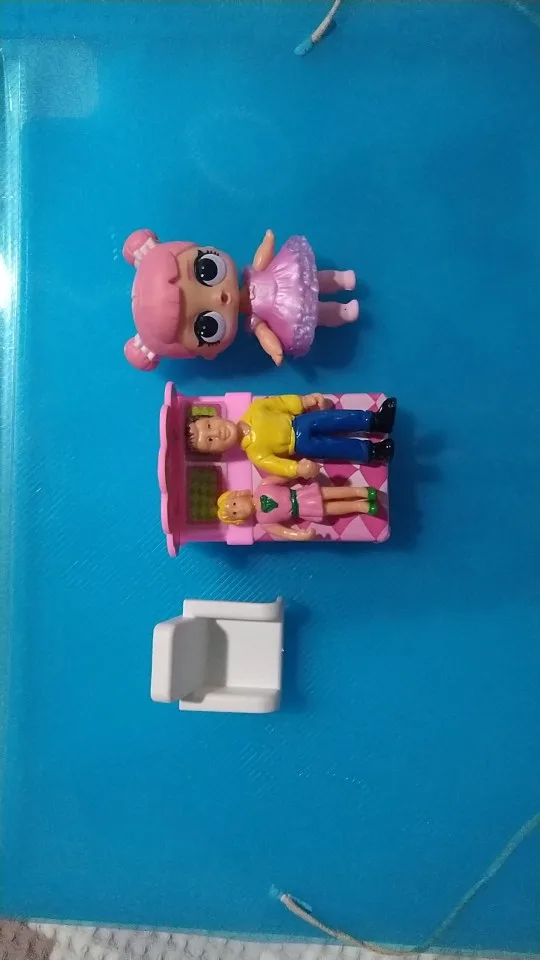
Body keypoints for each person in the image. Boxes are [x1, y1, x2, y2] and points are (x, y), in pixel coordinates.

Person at [122, 229, 359, 370]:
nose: (219, 296)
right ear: (209, 353)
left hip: (281, 274)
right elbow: (265, 335)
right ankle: (343, 312)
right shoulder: (255, 321)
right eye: (206, 326)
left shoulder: (254, 273)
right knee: (315, 315)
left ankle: (342, 280)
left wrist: (268, 242)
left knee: (312, 278)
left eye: (207, 269)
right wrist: (275, 350)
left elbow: (262, 260)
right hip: (283, 315)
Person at [186, 393, 396, 478]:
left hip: (300, 421)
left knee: (336, 418)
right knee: (336, 447)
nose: (216, 433)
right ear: (218, 451)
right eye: (210, 441)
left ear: (215, 416)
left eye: (209, 425)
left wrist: (303, 401)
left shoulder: (256, 408)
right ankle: (374, 452)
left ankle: (376, 421)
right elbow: (278, 465)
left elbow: (280, 403)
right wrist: (297, 469)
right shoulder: (255, 454)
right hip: (302, 445)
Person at [217, 480, 379, 542]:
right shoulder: (265, 522)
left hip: (301, 494)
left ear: (238, 495)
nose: (238, 509)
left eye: (234, 504)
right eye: (235, 514)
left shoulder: (263, 486)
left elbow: (283, 476)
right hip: (302, 510)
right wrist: (299, 536)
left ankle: (361, 491)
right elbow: (283, 532)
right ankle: (359, 507)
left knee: (330, 492)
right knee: (329, 509)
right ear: (240, 519)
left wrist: (299, 470)